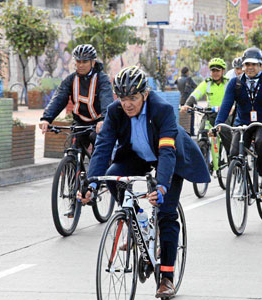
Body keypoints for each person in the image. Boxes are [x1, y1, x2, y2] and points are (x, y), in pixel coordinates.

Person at [79, 66, 210, 298]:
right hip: (136, 155)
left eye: (133, 98)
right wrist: (91, 183)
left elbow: (168, 152)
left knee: (167, 213)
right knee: (113, 174)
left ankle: (167, 278)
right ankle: (136, 220)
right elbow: (102, 147)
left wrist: (161, 186)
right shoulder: (115, 111)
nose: (127, 104)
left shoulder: (163, 110)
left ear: (145, 94)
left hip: (168, 157)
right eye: (122, 98)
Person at [215, 47, 262, 195]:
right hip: (242, 123)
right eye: (247, 65)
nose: (250, 68)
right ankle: (241, 180)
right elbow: (226, 105)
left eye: (254, 64)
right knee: (233, 153)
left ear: (261, 65)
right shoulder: (235, 83)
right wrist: (218, 123)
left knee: (261, 144)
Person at [39, 44, 113, 147]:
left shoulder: (102, 79)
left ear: (93, 62)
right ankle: (73, 161)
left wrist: (104, 120)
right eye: (78, 61)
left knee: (99, 152)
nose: (81, 65)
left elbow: (107, 99)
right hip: (79, 122)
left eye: (85, 62)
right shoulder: (70, 79)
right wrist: (46, 119)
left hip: (98, 123)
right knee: (72, 150)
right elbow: (59, 98)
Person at [180, 58, 232, 154]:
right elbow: (195, 94)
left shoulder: (228, 83)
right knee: (202, 134)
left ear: (223, 71)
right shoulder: (207, 83)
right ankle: (203, 160)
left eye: (218, 70)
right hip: (209, 114)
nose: (215, 73)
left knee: (227, 137)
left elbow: (235, 97)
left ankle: (232, 163)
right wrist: (187, 104)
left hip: (224, 115)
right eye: (213, 70)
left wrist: (233, 108)